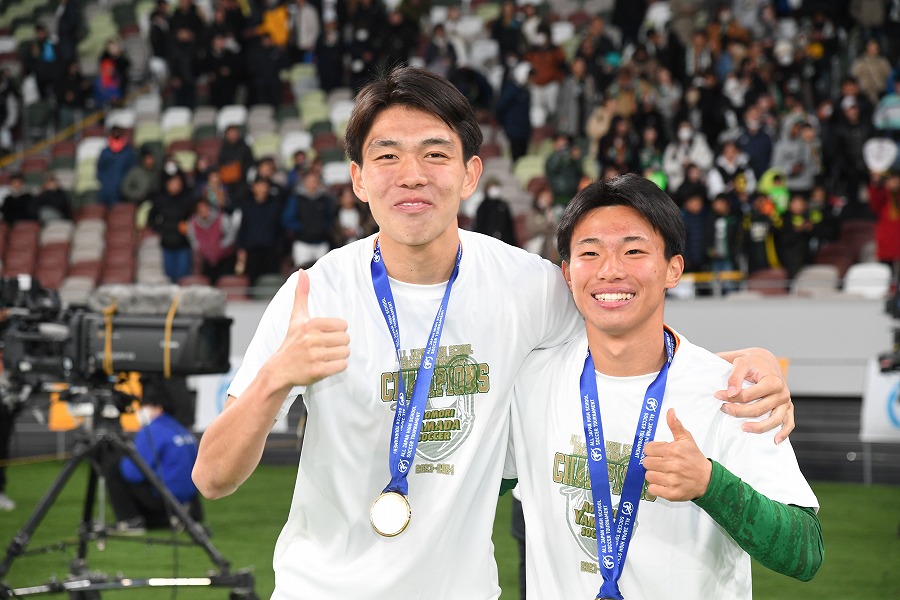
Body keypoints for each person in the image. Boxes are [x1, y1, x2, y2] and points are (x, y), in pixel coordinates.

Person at [193, 67, 796, 600]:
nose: (411, 175)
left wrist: (749, 363)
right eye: (387, 156)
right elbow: (212, 478)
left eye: (435, 153)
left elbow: (627, 336)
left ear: (470, 173)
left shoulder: (529, 287)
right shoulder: (314, 294)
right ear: (357, 178)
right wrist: (275, 378)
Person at [505, 174, 823, 599]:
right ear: (567, 272)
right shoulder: (530, 381)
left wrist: (711, 484)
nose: (610, 270)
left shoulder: (732, 392)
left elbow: (805, 553)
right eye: (590, 252)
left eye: (633, 251)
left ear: (673, 269)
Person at [104, 375, 201, 534]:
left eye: (146, 405)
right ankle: (180, 517)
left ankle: (131, 521)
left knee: (116, 469)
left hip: (165, 498)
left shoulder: (152, 430)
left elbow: (132, 473)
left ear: (158, 407)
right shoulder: (180, 428)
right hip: (187, 498)